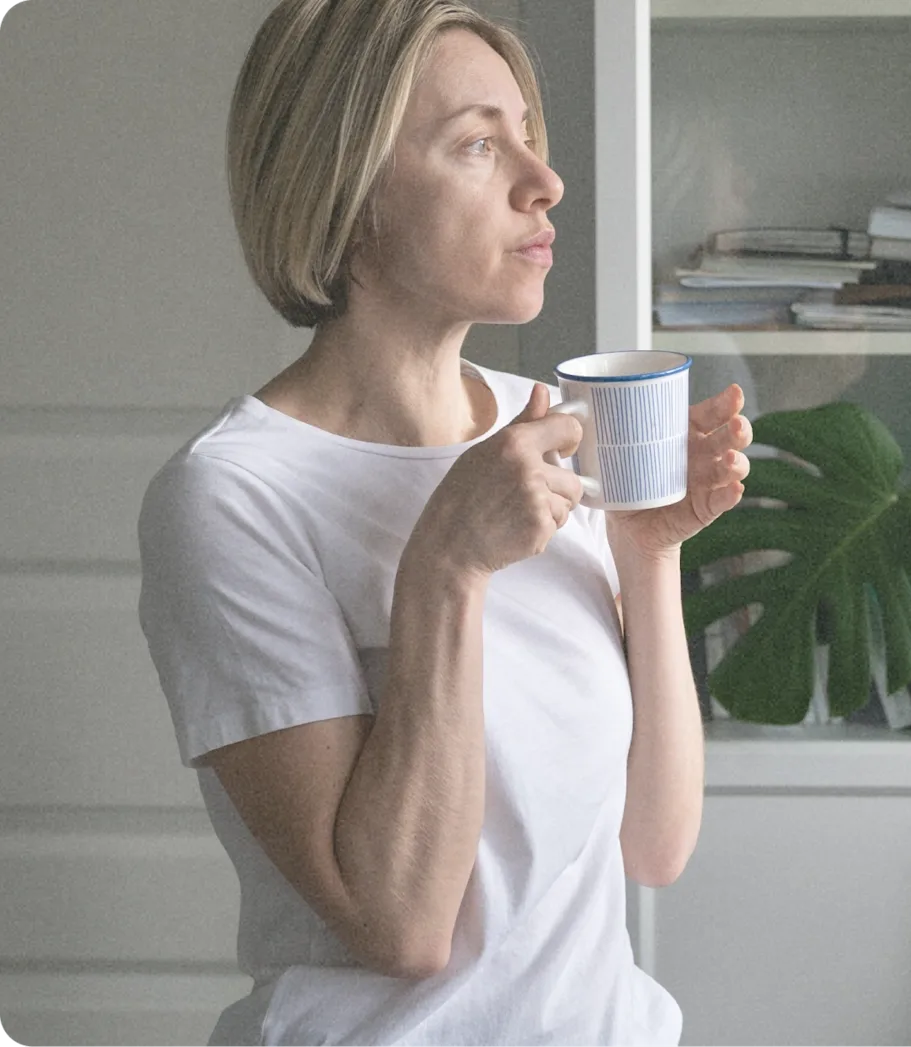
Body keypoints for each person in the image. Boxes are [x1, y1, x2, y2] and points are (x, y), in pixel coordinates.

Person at [134, 2, 751, 1044]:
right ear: (352, 193)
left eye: (527, 137)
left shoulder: (547, 427)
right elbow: (403, 927)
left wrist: (649, 556)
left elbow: (653, 846)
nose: (542, 181)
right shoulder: (233, 496)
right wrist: (444, 571)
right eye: (476, 143)